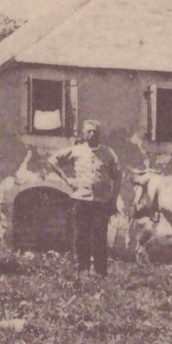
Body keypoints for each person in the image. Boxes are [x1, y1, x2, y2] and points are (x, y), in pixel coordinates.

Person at [50, 119, 122, 277]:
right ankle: (83, 271)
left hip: (101, 201)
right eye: (88, 131)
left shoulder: (108, 153)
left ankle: (100, 272)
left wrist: (113, 199)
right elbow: (53, 161)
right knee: (81, 236)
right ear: (83, 133)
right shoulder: (77, 150)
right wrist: (68, 180)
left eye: (94, 132)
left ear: (99, 134)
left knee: (99, 236)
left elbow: (117, 177)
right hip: (81, 200)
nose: (91, 135)